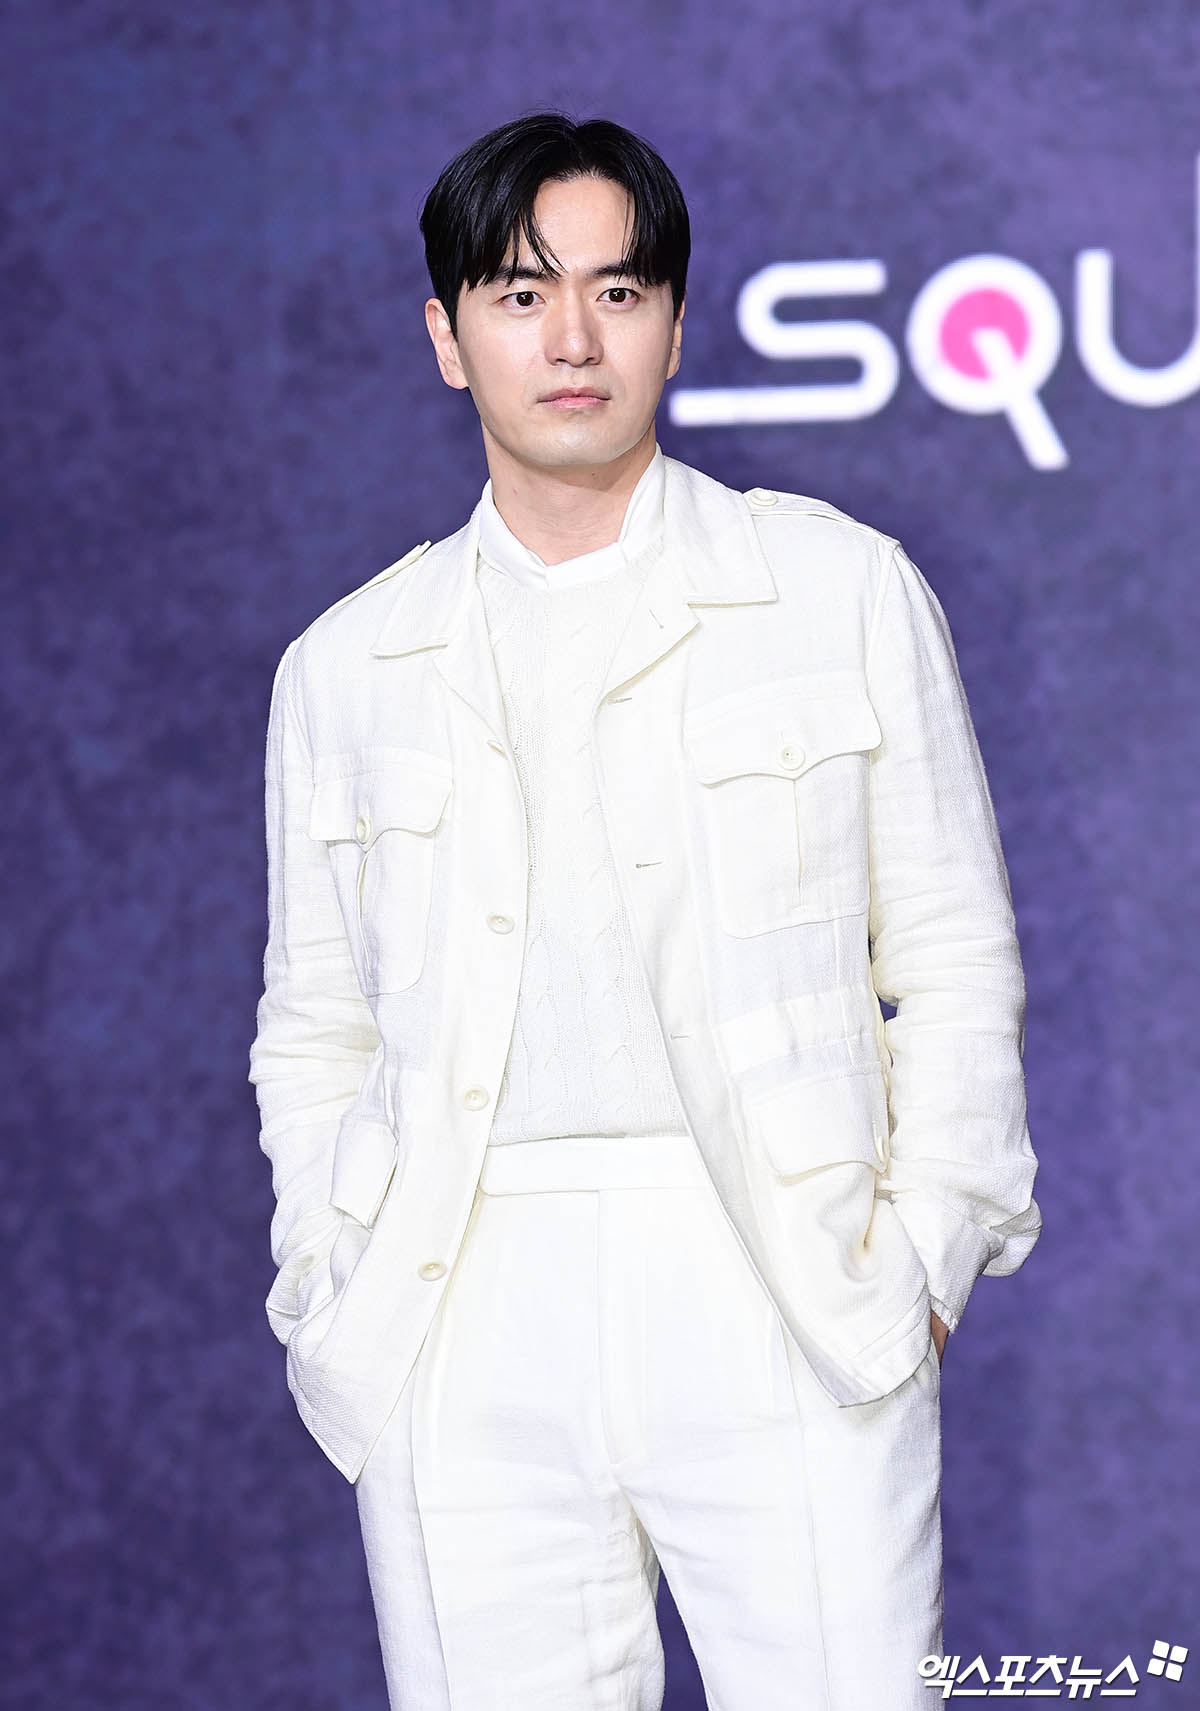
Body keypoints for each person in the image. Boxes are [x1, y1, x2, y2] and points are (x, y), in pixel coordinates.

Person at [248, 111, 1042, 1711]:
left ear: (675, 323)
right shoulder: (346, 665)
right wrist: (328, 1270)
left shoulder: (837, 591)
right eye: (520, 293)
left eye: (617, 292)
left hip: (778, 1274)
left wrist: (924, 1261)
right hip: (455, 1298)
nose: (572, 339)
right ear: (447, 338)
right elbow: (314, 1024)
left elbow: (955, 957)